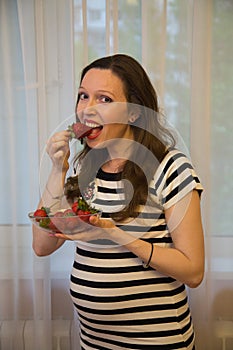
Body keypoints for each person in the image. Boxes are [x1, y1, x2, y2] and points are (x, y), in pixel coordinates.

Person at [32, 54, 204, 350]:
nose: (87, 109)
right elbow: (42, 246)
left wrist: (116, 234)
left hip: (158, 341)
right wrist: (57, 169)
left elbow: (193, 271)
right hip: (95, 342)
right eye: (83, 96)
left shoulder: (171, 167)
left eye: (104, 99)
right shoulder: (83, 168)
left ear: (134, 113)